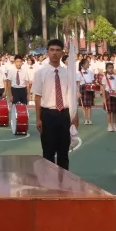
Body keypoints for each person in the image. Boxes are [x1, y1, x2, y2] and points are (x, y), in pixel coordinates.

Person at [32, 40, 77, 170]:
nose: (54, 53)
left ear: (62, 52)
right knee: (48, 152)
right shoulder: (40, 73)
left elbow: (72, 95)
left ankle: (64, 180)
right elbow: (37, 97)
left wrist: (75, 116)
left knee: (63, 152)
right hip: (48, 114)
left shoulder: (68, 73)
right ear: (47, 52)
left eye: (57, 50)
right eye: (51, 50)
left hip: (64, 114)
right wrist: (38, 118)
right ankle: (48, 180)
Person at [100, 61, 116, 133]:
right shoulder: (104, 78)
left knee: (115, 111)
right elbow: (103, 88)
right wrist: (103, 98)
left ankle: (115, 125)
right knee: (109, 111)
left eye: (112, 68)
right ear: (106, 69)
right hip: (108, 94)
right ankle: (109, 125)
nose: (111, 69)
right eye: (109, 68)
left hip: (115, 94)